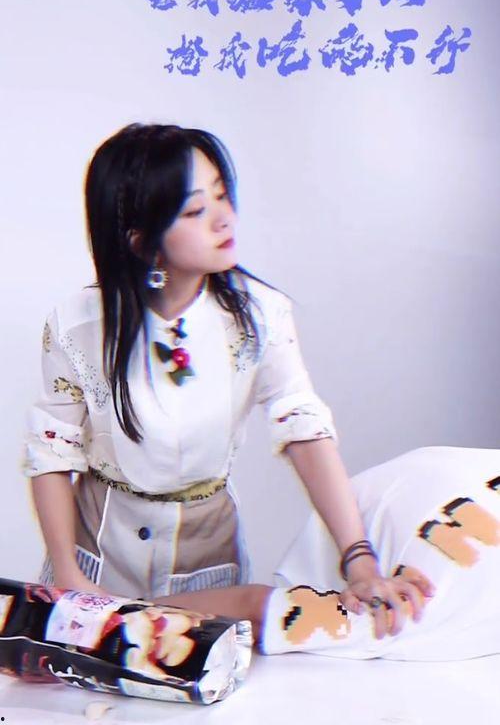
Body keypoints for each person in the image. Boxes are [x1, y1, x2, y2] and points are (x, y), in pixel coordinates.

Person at [23, 123, 430, 632]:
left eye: (221, 195)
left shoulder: (260, 316)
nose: (224, 218)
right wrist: (67, 573)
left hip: (206, 558)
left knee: (198, 674)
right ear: (142, 242)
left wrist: (359, 561)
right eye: (195, 210)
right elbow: (52, 451)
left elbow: (303, 427)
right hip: (97, 557)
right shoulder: (78, 325)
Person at [156, 445, 500, 660]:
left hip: (408, 486)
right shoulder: (448, 593)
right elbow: (257, 610)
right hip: (400, 542)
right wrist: (126, 608)